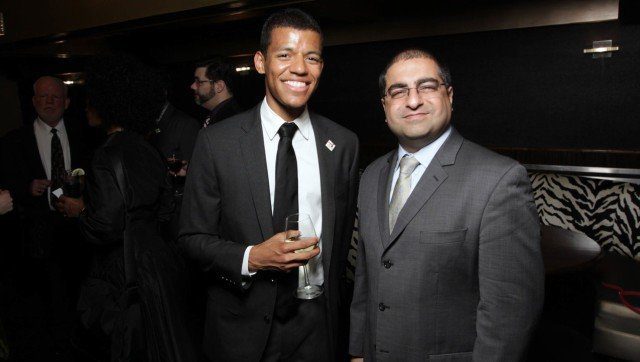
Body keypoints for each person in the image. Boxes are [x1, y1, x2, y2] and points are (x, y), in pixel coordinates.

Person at [180, 8, 359, 362]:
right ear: (261, 62)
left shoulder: (343, 144)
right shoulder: (218, 142)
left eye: (312, 57)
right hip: (240, 327)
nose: (299, 68)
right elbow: (190, 239)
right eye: (285, 55)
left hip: (317, 328)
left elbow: (343, 248)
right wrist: (253, 258)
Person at [349, 49, 544, 361]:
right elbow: (366, 277)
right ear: (385, 107)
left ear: (449, 96)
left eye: (427, 86)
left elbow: (510, 310)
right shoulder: (371, 176)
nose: (413, 100)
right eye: (398, 91)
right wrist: (358, 351)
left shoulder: (499, 179)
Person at [56, 55, 197, 361]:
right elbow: (164, 209)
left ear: (110, 103)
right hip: (159, 266)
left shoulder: (107, 155)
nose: (86, 106)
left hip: (125, 271)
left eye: (92, 100)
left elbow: (103, 227)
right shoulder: (147, 148)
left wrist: (79, 210)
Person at [0, 76, 89, 358]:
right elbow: (5, 185)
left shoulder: (86, 134)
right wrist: (26, 188)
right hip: (33, 242)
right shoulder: (13, 141)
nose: (49, 102)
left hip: (80, 235)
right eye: (43, 97)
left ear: (66, 102)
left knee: (79, 305)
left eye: (55, 97)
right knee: (41, 311)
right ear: (33, 101)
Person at [191, 57, 242, 128]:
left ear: (219, 86)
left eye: (199, 82)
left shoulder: (230, 122)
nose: (192, 86)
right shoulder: (219, 116)